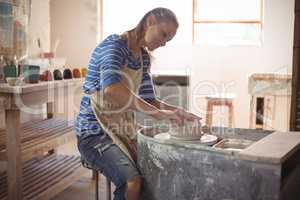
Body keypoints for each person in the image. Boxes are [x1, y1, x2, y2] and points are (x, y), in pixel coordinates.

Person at [75, 7, 201, 200]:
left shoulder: (142, 58)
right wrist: (158, 115)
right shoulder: (115, 46)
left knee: (155, 172)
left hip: (121, 129)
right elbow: (112, 89)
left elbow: (150, 100)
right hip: (93, 133)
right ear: (150, 21)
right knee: (132, 181)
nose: (164, 42)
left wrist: (178, 112)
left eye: (168, 40)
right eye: (163, 34)